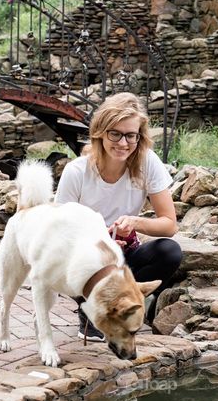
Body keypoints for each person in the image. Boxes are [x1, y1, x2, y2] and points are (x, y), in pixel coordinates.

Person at [55, 94, 182, 341]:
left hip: (124, 253)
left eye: (131, 135)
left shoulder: (147, 162)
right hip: (83, 260)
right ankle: (90, 309)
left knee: (169, 251)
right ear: (100, 132)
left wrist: (135, 222)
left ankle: (116, 306)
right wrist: (100, 242)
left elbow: (169, 224)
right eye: (115, 134)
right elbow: (59, 233)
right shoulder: (77, 171)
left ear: (139, 136)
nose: (123, 143)